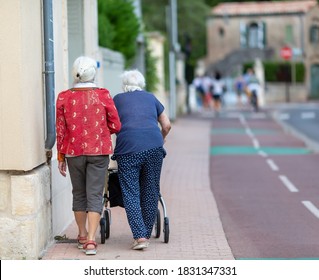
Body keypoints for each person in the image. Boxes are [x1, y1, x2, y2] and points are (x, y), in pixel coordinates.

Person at [56, 56, 121, 255]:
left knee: (79, 193)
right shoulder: (103, 95)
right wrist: (101, 131)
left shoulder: (63, 97)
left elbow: (60, 129)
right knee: (94, 194)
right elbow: (116, 124)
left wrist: (60, 156)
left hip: (73, 152)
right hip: (98, 151)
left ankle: (82, 233)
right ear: (93, 73)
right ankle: (91, 241)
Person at [111, 69, 171, 250]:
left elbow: (112, 125)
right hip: (154, 147)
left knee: (131, 192)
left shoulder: (118, 99)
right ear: (141, 84)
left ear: (124, 85)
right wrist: (160, 138)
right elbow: (167, 125)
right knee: (151, 189)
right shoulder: (151, 98)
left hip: (128, 150)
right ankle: (145, 230)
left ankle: (140, 237)